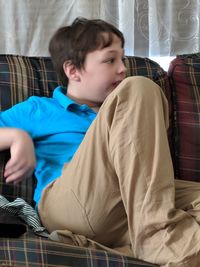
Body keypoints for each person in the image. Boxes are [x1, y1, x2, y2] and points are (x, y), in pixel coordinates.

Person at [1, 18, 200, 267]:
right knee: (138, 88)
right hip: (71, 204)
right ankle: (157, 237)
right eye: (110, 60)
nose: (122, 68)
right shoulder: (39, 109)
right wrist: (17, 137)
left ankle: (139, 248)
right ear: (73, 70)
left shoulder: (127, 112)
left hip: (129, 206)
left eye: (123, 59)